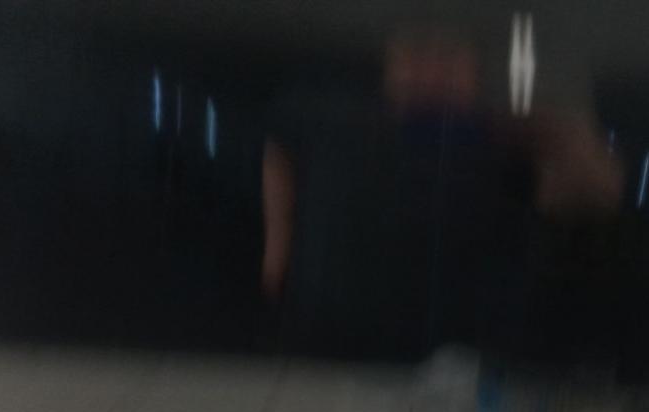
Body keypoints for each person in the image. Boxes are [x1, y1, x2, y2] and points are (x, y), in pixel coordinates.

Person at [261, 32, 623, 362]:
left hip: (463, 342)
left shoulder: (508, 137)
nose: (431, 75)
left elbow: (597, 194)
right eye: (417, 55)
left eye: (448, 59)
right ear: (390, 61)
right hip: (336, 329)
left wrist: (558, 134)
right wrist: (278, 246)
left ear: (476, 71)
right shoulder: (339, 115)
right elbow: (281, 145)